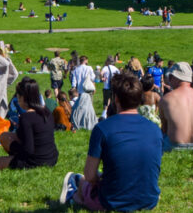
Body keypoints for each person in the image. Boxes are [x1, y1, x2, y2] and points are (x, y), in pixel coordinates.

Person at [60, 73, 163, 211]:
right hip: (148, 200)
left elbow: (90, 175)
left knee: (85, 181)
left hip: (112, 200)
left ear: (116, 99)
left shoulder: (103, 129)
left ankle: (74, 195)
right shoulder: (155, 129)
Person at [0, 77, 58, 170]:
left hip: (35, 161)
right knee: (4, 136)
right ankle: (14, 159)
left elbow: (28, 149)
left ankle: (15, 161)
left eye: (18, 97)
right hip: (51, 158)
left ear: (23, 97)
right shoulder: (46, 112)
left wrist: (13, 147)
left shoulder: (26, 117)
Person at [159, 61, 193, 150]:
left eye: (171, 77)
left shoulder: (166, 99)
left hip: (174, 146)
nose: (169, 80)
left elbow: (164, 129)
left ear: (176, 78)